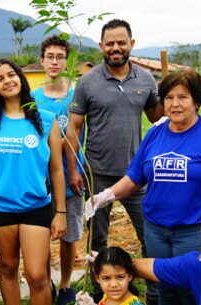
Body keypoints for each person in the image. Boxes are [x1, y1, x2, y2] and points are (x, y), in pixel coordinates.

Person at [87, 70, 201, 305]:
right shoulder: (156, 134)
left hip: (195, 230)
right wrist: (106, 196)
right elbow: (135, 177)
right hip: (156, 229)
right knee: (162, 288)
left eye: (182, 97)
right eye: (169, 98)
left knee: (193, 288)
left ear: (196, 101)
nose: (175, 104)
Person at [66, 18, 163, 257]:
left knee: (148, 234)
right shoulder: (87, 82)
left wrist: (170, 95)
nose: (115, 48)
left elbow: (157, 119)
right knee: (97, 239)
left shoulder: (146, 80)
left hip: (135, 174)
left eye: (121, 42)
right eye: (110, 43)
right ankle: (100, 289)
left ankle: (152, 289)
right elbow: (74, 128)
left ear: (131, 43)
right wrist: (73, 170)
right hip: (96, 173)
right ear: (101, 46)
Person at [0, 59, 67, 305]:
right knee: (7, 267)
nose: (7, 81)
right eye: (0, 78)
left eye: (11, 74)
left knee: (37, 275)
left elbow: (57, 170)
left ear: (21, 78)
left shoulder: (46, 119)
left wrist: (60, 212)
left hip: (36, 207)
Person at [30, 35, 83, 305]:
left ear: (66, 61)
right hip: (40, 177)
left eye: (59, 57)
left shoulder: (77, 96)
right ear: (42, 60)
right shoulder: (32, 99)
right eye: (49, 56)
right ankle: (45, 282)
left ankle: (65, 284)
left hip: (71, 172)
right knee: (40, 232)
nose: (54, 61)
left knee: (69, 233)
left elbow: (78, 133)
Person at [76, 246, 145, 305]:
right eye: (106, 278)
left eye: (120, 277)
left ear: (130, 276)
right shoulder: (106, 296)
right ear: (97, 278)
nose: (113, 285)